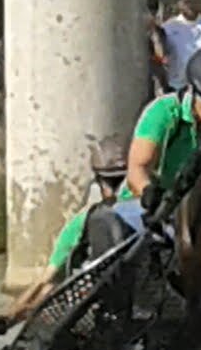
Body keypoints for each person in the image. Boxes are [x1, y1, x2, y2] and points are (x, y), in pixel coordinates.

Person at [114, 44, 201, 233]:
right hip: (145, 206)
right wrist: (150, 195)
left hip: (196, 211)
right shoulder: (163, 112)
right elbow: (137, 169)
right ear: (192, 91)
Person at [7, 138, 131, 322]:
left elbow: (44, 278)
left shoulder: (83, 221)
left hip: (96, 303)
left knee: (48, 288)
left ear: (98, 183)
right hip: (139, 296)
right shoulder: (146, 208)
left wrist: (13, 313)